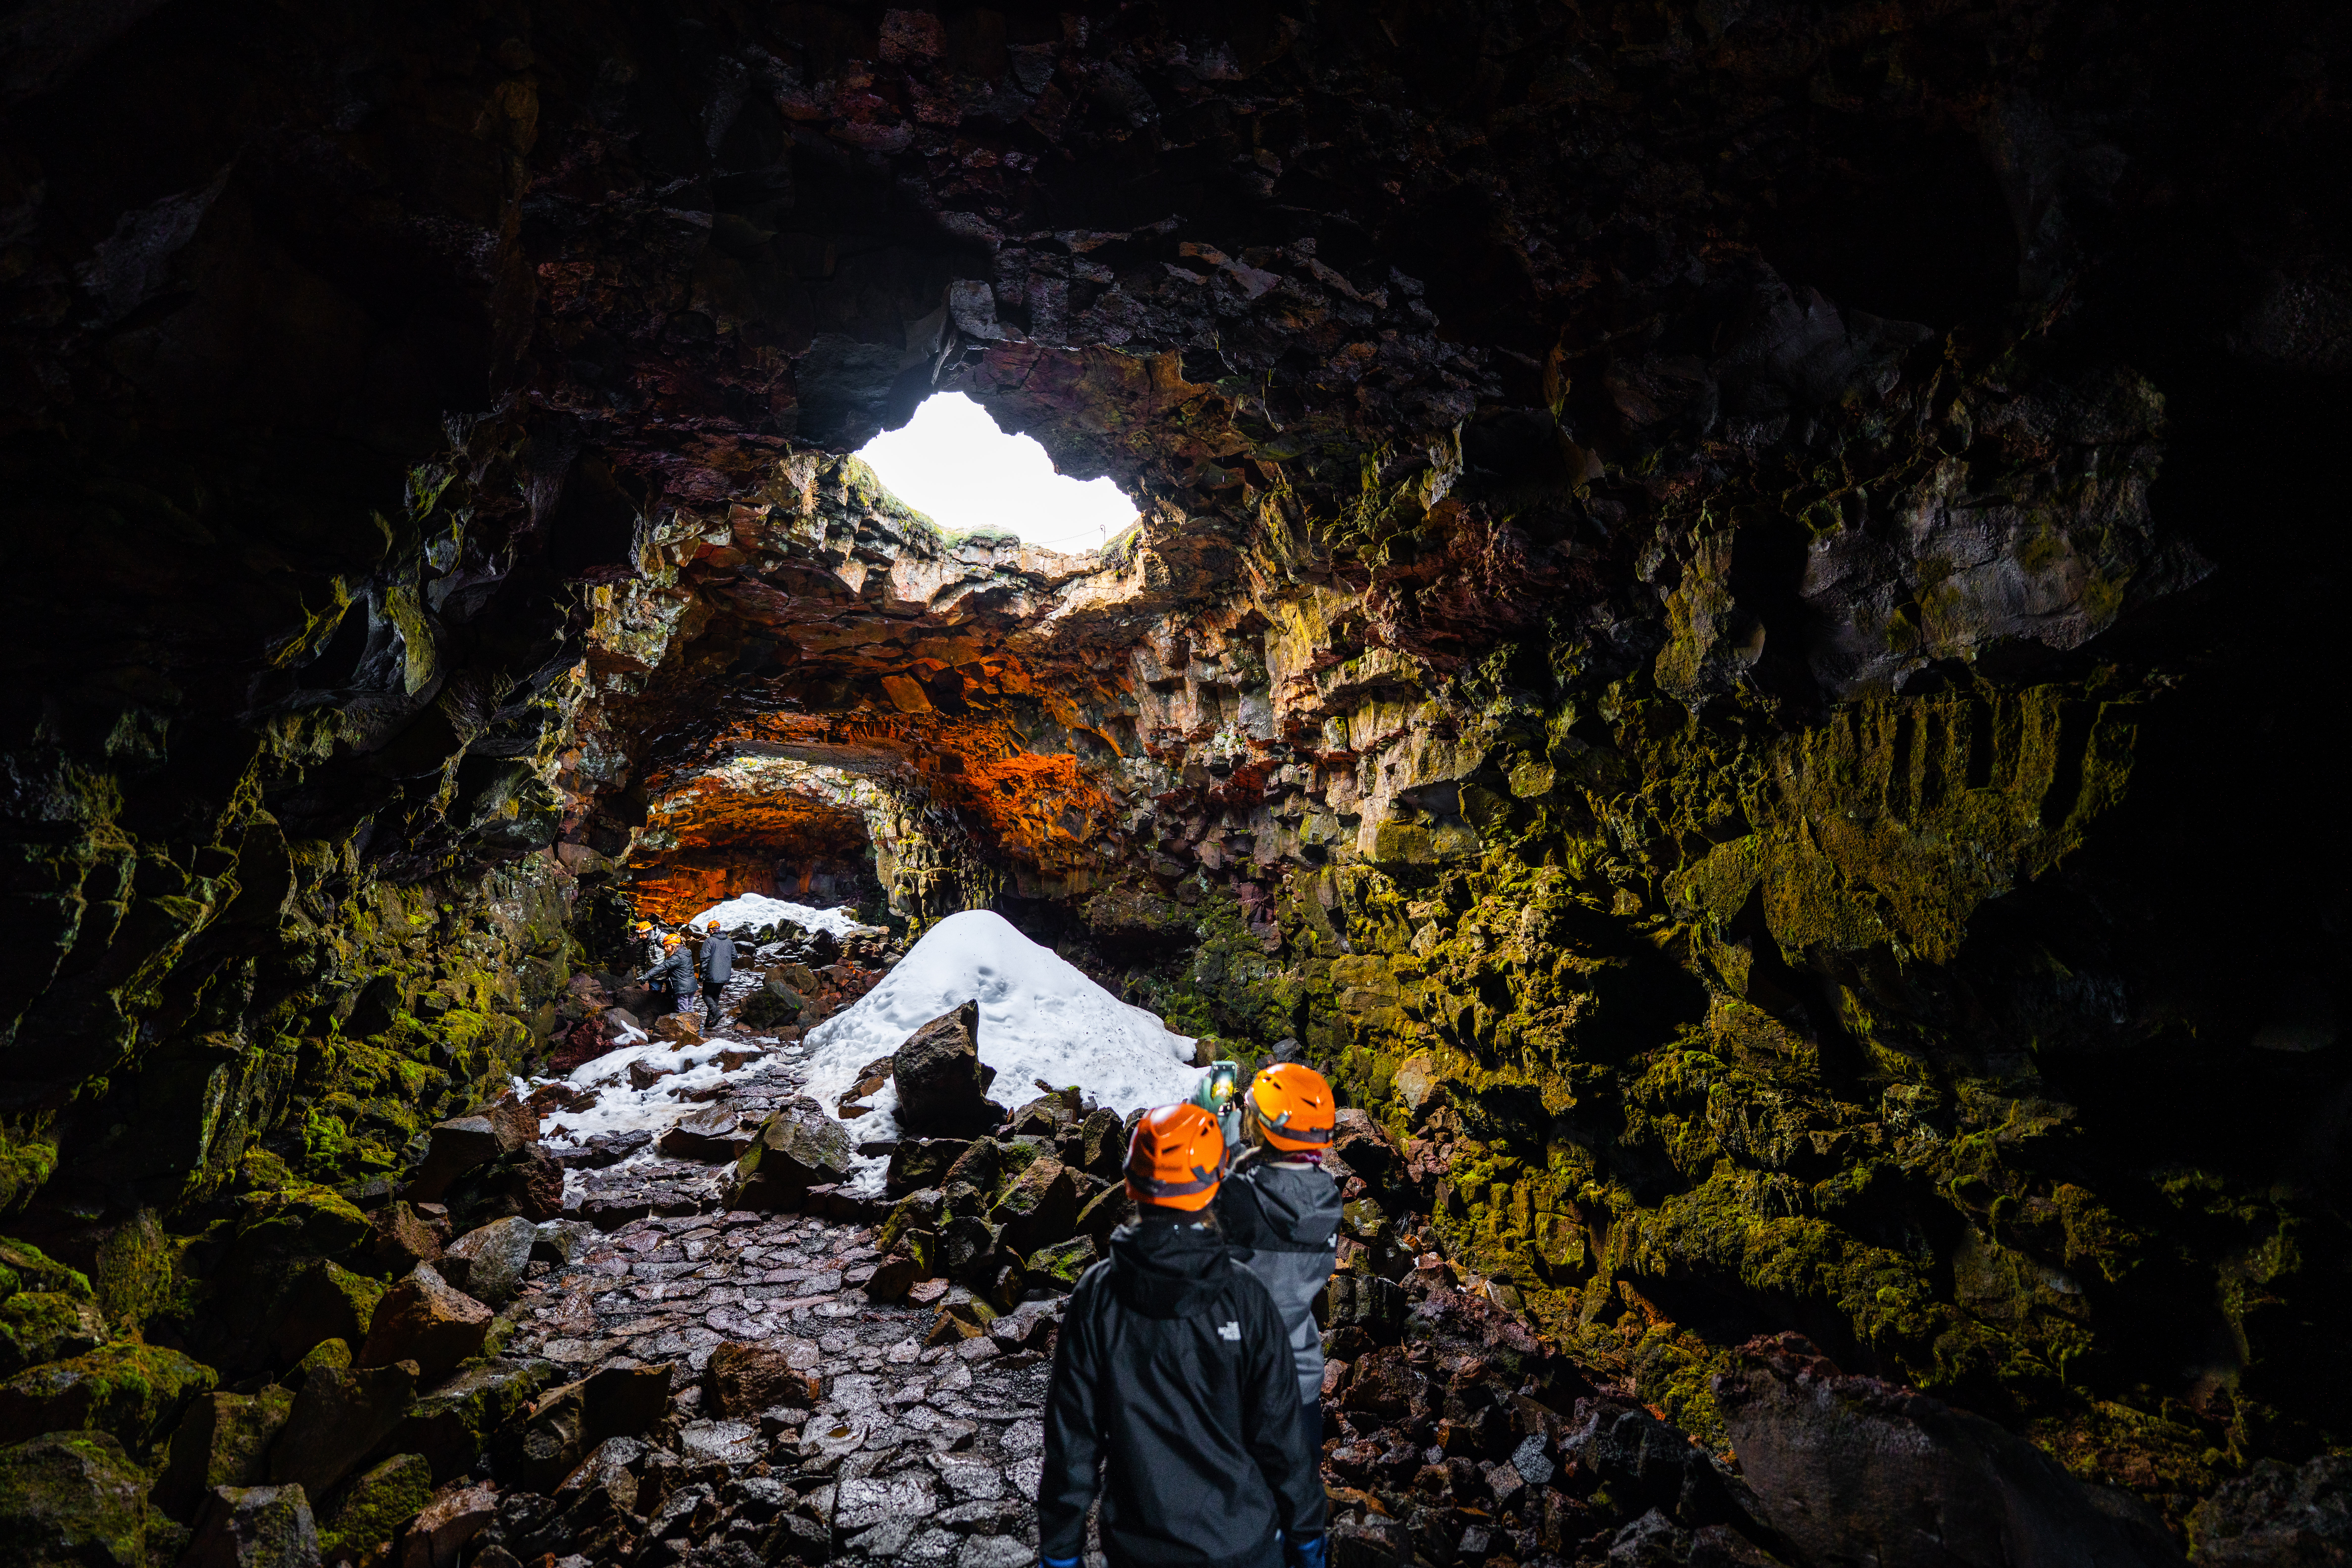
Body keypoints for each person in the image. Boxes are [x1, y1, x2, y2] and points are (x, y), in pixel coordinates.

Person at [1038, 1102, 1327, 1568]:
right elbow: (1282, 1437)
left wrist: (1059, 1549)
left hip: (1139, 1546)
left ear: (1132, 1182)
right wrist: (1307, 1535)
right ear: (1215, 1183)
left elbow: (1072, 1441)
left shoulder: (1097, 1296)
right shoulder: (1245, 1297)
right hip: (1243, 1544)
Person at [1213, 1063, 1343, 1461]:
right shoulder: (1327, 1197)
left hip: (1240, 1382)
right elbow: (1270, 1186)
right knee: (1294, 1508)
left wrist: (1218, 1122)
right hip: (1299, 1379)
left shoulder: (1237, 1198)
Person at [639, 932, 696, 1019]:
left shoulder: (677, 957)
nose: (665, 949)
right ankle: (699, 1033)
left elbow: (662, 966)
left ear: (674, 945)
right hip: (692, 986)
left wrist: (646, 976)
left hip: (682, 989)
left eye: (667, 946)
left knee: (682, 1013)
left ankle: (687, 1032)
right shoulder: (685, 952)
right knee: (690, 1010)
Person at [696, 918, 733, 1029]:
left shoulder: (709, 941)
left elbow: (705, 959)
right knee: (716, 996)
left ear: (711, 931)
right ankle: (710, 1021)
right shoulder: (729, 941)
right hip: (725, 975)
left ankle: (717, 1012)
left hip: (712, 974)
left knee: (707, 995)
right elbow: (735, 957)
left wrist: (702, 974)